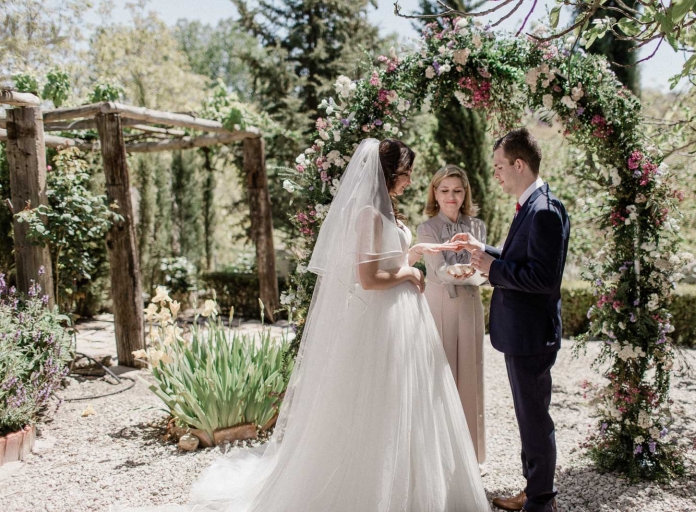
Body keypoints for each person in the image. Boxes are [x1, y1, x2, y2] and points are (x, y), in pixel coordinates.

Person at [115, 139, 490, 512]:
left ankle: (413, 484)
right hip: (383, 318)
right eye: (405, 174)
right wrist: (410, 272)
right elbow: (369, 278)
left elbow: (389, 259)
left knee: (408, 400)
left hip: (404, 318)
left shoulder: (389, 213)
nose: (409, 181)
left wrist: (415, 254)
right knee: (379, 400)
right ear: (390, 173)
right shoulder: (369, 215)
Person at [452, 128, 570, 512]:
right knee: (528, 415)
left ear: (520, 164)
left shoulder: (545, 210)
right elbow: (521, 257)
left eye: (500, 166)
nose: (496, 174)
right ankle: (533, 489)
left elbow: (542, 278)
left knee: (535, 420)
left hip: (531, 335)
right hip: (522, 333)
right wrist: (482, 250)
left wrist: (493, 269)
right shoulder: (532, 204)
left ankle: (541, 502)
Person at [417, 164, 487, 465]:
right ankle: (439, 456)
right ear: (435, 192)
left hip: (471, 302)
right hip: (440, 304)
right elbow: (436, 270)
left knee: (470, 375)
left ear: (465, 193)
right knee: (440, 377)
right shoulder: (427, 228)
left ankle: (469, 456)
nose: (451, 196)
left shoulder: (478, 226)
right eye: (444, 190)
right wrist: (455, 271)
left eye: (457, 191)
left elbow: (484, 264)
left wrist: (479, 272)